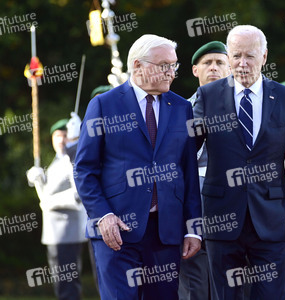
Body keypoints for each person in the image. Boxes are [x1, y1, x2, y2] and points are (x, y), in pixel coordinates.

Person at [193, 25, 285, 300]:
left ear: (264, 56)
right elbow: (186, 157)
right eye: (235, 56)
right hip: (221, 219)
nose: (242, 63)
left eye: (250, 56)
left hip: (271, 220)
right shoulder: (208, 96)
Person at [74, 34, 202, 300]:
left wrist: (192, 227)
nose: (171, 72)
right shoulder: (103, 105)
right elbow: (84, 169)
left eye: (174, 66)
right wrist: (103, 216)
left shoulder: (181, 108)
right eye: (163, 65)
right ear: (137, 66)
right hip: (116, 232)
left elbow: (188, 172)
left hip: (166, 232)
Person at [179, 41, 230, 300]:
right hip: (196, 205)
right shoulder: (180, 109)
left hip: (236, 208)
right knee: (196, 286)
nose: (214, 68)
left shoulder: (247, 108)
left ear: (231, 69)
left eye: (220, 63)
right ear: (195, 70)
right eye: (207, 63)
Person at [26, 119, 87, 300]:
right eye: (57, 136)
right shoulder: (54, 162)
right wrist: (36, 178)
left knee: (67, 284)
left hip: (67, 231)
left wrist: (49, 202)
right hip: (54, 232)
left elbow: (78, 195)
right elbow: (49, 190)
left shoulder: (73, 160)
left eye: (65, 135)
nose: (61, 140)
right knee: (60, 283)